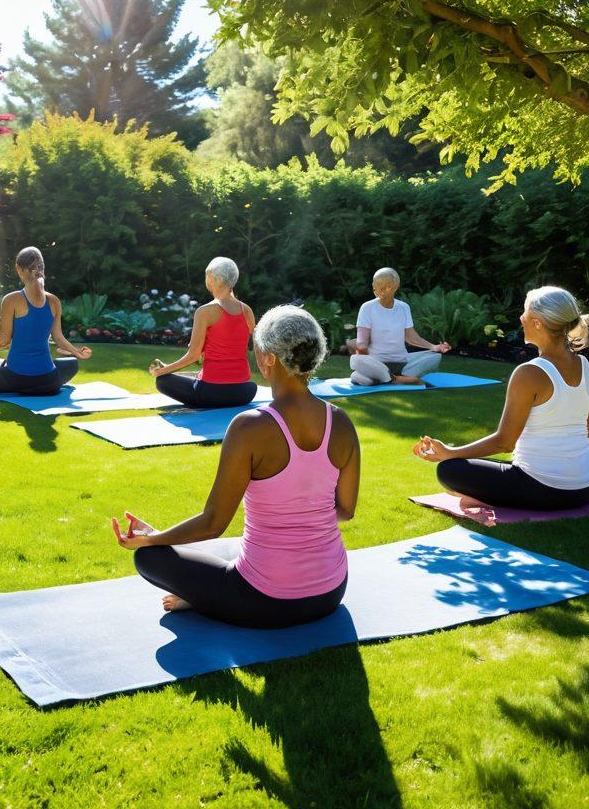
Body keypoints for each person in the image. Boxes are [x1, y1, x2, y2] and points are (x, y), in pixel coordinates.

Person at [112, 305, 360, 629]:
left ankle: (203, 598)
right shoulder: (340, 422)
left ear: (269, 358)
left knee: (149, 557)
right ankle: (206, 593)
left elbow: (213, 523)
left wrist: (154, 538)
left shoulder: (249, 427)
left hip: (264, 600)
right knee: (232, 547)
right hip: (330, 590)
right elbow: (345, 510)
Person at [414, 286, 589, 511]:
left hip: (545, 491)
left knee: (449, 469)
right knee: (491, 467)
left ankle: (480, 495)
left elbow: (505, 442)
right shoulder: (587, 369)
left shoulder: (529, 373)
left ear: (538, 322)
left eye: (525, 312)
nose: (521, 318)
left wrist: (450, 452)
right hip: (585, 490)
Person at [0, 246, 92, 396]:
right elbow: (59, 338)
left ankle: (17, 386)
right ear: (43, 268)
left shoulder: (11, 300)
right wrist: (78, 353)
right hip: (47, 382)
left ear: (18, 269)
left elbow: (4, 341)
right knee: (72, 364)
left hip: (14, 378)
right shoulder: (54, 301)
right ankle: (37, 383)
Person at [148, 257, 258, 408]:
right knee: (196, 376)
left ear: (213, 279)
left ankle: (166, 375)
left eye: (207, 276)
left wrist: (161, 371)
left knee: (162, 381)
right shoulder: (247, 310)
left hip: (211, 393)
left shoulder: (205, 312)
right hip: (245, 391)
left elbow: (193, 356)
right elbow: (259, 345)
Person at [349, 267, 450, 386]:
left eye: (383, 285)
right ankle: (396, 379)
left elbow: (411, 337)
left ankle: (384, 378)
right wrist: (362, 353)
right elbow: (361, 345)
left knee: (434, 357)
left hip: (402, 363)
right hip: (377, 363)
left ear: (395, 286)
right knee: (356, 360)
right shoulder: (367, 308)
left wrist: (434, 347)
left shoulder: (403, 307)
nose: (377, 288)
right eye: (376, 284)